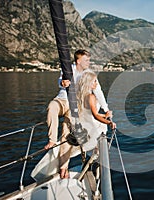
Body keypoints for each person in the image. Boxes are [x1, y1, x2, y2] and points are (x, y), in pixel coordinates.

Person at [44, 49, 110, 179]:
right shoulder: (67, 69)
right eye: (87, 60)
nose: (89, 62)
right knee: (52, 107)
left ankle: (63, 167)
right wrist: (63, 83)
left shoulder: (89, 74)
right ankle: (51, 140)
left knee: (66, 133)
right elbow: (60, 81)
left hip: (74, 105)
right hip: (62, 99)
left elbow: (99, 92)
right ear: (78, 61)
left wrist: (106, 109)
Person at [76, 71, 116, 152]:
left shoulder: (81, 96)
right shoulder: (91, 97)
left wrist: (105, 116)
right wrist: (109, 123)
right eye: (94, 81)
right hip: (92, 128)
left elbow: (89, 113)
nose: (96, 84)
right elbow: (95, 115)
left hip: (85, 125)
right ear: (89, 82)